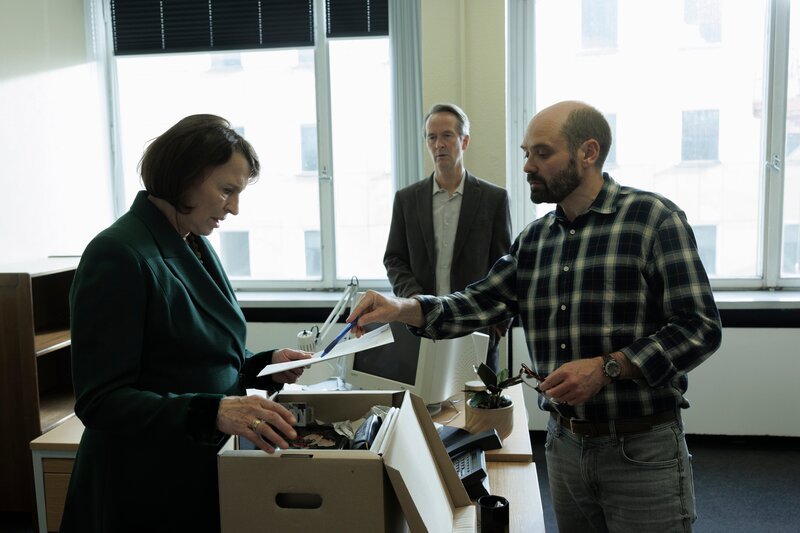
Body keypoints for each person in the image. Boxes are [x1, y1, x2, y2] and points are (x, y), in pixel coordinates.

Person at [349, 100, 722, 532]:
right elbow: (474, 303)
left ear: (588, 152)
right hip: (564, 448)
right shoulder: (536, 240)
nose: (528, 165)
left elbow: (701, 327)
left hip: (639, 449)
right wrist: (401, 308)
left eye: (542, 153)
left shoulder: (653, 220)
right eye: (526, 153)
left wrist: (608, 368)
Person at [60, 115, 313, 533]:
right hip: (141, 485)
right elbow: (100, 401)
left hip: (191, 468)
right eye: (227, 191)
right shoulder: (118, 253)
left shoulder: (191, 241)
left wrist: (262, 365)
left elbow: (192, 355)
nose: (233, 208)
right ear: (184, 178)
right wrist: (212, 411)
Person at [383, 103, 512, 371]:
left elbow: (505, 266)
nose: (439, 144)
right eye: (432, 137)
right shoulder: (407, 200)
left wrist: (498, 327)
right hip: (421, 329)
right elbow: (394, 259)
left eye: (447, 135)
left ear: (464, 141)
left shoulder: (493, 199)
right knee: (425, 408)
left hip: (475, 329)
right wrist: (415, 302)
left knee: (474, 410)